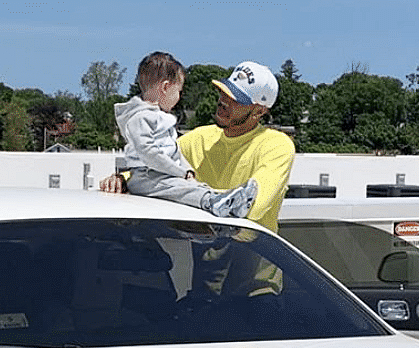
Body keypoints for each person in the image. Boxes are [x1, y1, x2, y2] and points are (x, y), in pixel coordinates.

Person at [102, 60, 295, 235]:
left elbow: (251, 208)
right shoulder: (199, 137)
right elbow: (158, 161)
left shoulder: (276, 145)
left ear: (259, 111)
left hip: (253, 269)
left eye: (236, 99)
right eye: (224, 92)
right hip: (203, 266)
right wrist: (124, 178)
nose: (224, 100)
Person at [114, 52, 258, 218]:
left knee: (194, 186)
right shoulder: (139, 118)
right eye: (179, 91)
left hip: (163, 174)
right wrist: (179, 172)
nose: (179, 97)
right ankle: (213, 202)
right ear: (166, 87)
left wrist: (187, 170)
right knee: (182, 189)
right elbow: (148, 153)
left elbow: (174, 150)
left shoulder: (156, 116)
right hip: (147, 178)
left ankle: (225, 200)